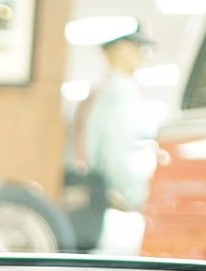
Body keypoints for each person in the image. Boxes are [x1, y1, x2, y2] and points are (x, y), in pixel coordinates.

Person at [70, 27, 154, 253]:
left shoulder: (100, 91)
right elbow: (119, 151)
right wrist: (130, 196)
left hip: (92, 195)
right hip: (114, 202)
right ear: (119, 50)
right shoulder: (123, 92)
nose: (143, 55)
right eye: (137, 48)